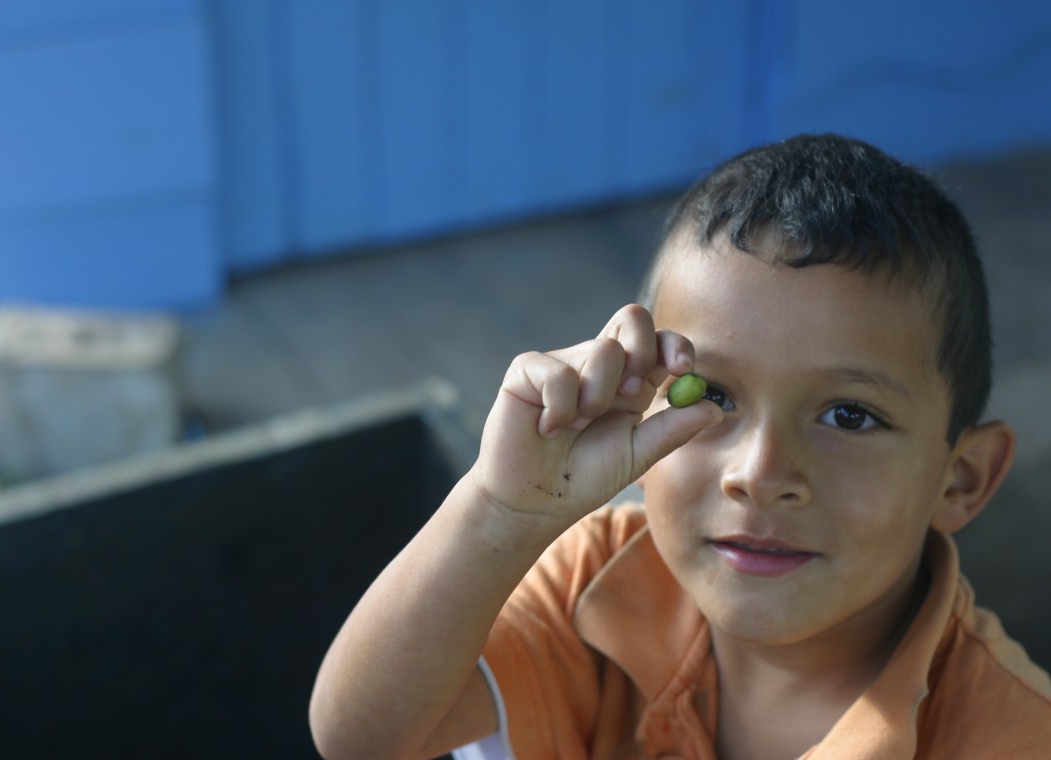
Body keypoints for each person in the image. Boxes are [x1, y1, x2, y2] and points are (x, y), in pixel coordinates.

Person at [309, 134, 1051, 759]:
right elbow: (362, 738)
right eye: (714, 396)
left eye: (850, 416)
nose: (760, 475)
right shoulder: (599, 574)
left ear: (963, 479)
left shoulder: (1014, 736)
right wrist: (501, 509)